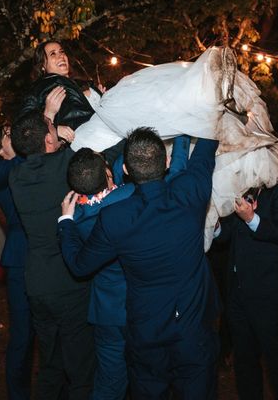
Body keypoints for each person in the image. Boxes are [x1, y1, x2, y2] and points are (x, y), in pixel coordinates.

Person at [60, 45, 278, 251]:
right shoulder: (186, 188)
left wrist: (66, 221)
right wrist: (189, 119)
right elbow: (190, 155)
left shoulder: (117, 210)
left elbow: (80, 264)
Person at [58, 127, 220, 399]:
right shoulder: (190, 190)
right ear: (166, 162)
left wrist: (66, 223)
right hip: (193, 330)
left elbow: (80, 265)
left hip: (147, 333)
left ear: (128, 172)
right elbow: (207, 141)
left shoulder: (114, 217)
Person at [8, 110, 124, 400]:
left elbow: (34, 145)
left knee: (49, 362)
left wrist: (50, 127)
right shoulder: (65, 164)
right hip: (68, 284)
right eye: (52, 128)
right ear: (49, 138)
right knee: (80, 367)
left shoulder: (16, 176)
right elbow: (102, 155)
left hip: (36, 283)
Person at [214, 184, 278, 400]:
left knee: (276, 360)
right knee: (244, 360)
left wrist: (251, 218)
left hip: (268, 293)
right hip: (238, 292)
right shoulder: (243, 188)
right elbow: (227, 234)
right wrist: (214, 225)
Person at [0, 124, 34, 400]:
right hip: (19, 259)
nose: (15, 136)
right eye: (9, 135)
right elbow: (21, 161)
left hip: (44, 257)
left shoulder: (22, 164)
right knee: (22, 336)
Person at [19, 40, 100, 138]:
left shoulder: (82, 83)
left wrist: (101, 96)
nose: (61, 56)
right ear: (42, 66)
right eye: (53, 54)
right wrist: (53, 129)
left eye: (62, 52)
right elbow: (23, 127)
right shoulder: (38, 89)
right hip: (84, 143)